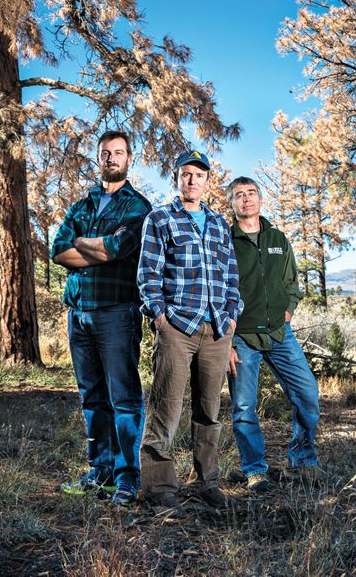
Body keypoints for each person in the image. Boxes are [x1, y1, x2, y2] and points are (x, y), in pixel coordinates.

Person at [137, 149, 242, 512]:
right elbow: (148, 274)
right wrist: (159, 317)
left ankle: (206, 481)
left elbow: (231, 276)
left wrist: (230, 317)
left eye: (199, 175)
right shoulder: (160, 219)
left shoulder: (218, 224)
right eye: (186, 174)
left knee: (209, 410)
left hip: (216, 329)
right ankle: (159, 487)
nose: (193, 180)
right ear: (177, 178)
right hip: (177, 328)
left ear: (208, 181)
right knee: (166, 408)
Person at [51, 130, 152, 506]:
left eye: (119, 153)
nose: (111, 158)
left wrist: (89, 246)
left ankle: (127, 477)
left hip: (116, 313)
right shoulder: (82, 205)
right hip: (79, 314)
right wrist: (92, 248)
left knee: (123, 398)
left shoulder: (138, 208)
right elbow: (59, 251)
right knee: (92, 397)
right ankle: (101, 471)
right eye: (105, 153)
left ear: (129, 160)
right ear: (98, 159)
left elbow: (117, 249)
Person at [226, 176, 321, 492]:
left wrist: (289, 310)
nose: (246, 199)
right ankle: (255, 470)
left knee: (307, 393)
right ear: (232, 203)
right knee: (243, 408)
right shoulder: (226, 242)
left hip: (281, 334)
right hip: (243, 337)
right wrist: (226, 340)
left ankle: (303, 459)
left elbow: (293, 282)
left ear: (260, 199)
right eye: (239, 195)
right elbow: (219, 292)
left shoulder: (278, 238)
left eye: (251, 193)